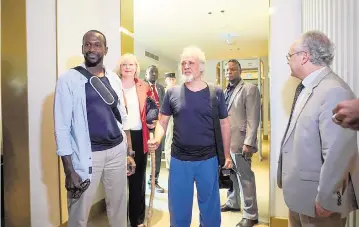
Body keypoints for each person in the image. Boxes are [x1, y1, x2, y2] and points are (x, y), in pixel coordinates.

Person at [54, 30, 135, 227]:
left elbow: (123, 118)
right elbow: (61, 127)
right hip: (86, 154)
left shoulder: (114, 79)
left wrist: (129, 152)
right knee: (78, 213)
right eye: (87, 44)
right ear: (82, 48)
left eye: (97, 45)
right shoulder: (69, 80)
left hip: (117, 151)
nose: (92, 49)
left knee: (118, 208)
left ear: (105, 50)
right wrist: (69, 170)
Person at [277, 30, 359, 227]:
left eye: (290, 55)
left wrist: (327, 197)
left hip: (320, 202)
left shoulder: (333, 90)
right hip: (300, 197)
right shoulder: (306, 88)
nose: (287, 60)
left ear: (304, 57)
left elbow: (338, 152)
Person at [148, 46, 233, 227]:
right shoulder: (172, 93)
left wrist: (226, 155)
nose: (186, 66)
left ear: (201, 67)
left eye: (191, 63)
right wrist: (157, 139)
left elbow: (225, 124)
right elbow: (162, 122)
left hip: (208, 160)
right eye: (183, 63)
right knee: (179, 211)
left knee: (210, 211)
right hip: (180, 161)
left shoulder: (215, 92)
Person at [114, 54, 153, 227]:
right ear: (119, 67)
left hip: (139, 137)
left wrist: (153, 118)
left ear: (136, 67)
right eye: (124, 64)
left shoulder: (143, 86)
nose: (128, 67)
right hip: (118, 137)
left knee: (138, 182)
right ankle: (119, 220)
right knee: (118, 181)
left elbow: (153, 107)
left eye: (131, 64)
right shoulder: (112, 84)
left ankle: (137, 220)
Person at [221, 59, 260, 227]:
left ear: (240, 71)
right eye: (227, 70)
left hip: (241, 141)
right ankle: (233, 202)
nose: (229, 72)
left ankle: (251, 214)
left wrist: (249, 142)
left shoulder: (249, 89)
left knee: (245, 177)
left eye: (233, 69)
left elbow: (253, 118)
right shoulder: (225, 91)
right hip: (227, 142)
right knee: (231, 175)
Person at [145, 65, 166, 193]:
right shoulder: (141, 87)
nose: (154, 74)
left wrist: (159, 120)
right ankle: (140, 184)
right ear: (146, 74)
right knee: (142, 156)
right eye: (151, 72)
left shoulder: (161, 89)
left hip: (158, 126)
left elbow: (164, 107)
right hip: (144, 127)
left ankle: (153, 181)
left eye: (156, 72)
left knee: (157, 155)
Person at [163, 72, 176, 169]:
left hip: (178, 119)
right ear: (166, 81)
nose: (171, 81)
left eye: (173, 79)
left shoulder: (179, 90)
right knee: (169, 140)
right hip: (168, 119)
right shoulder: (164, 92)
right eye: (169, 79)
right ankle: (169, 164)